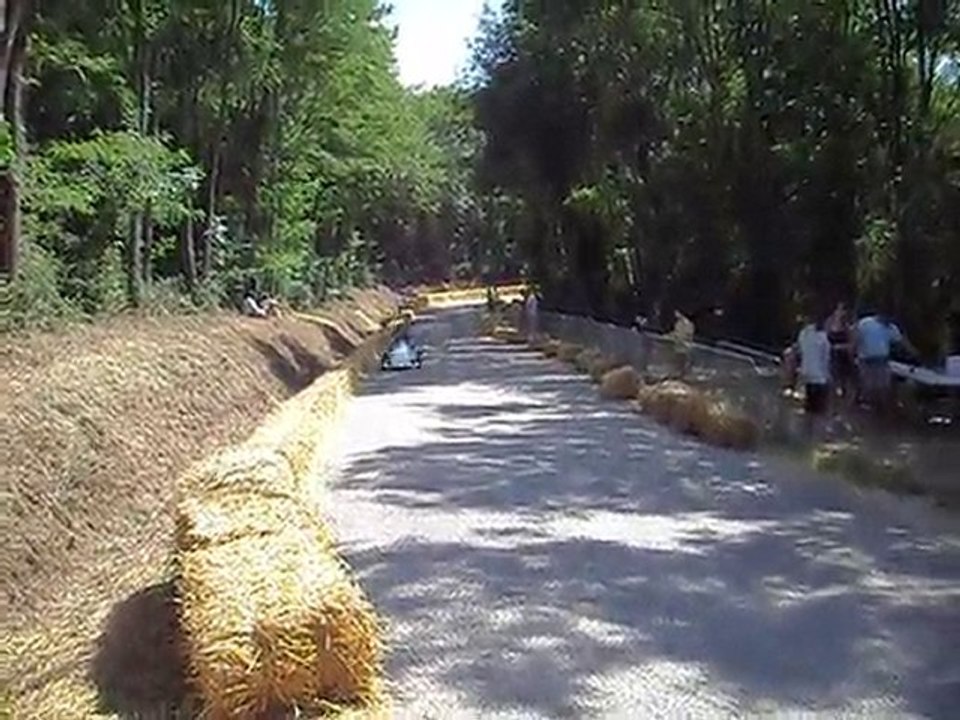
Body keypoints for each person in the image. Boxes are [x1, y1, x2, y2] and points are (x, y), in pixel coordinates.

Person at [854, 309, 918, 415]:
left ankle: (882, 410)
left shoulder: (891, 328)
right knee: (869, 386)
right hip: (866, 360)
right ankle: (870, 408)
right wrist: (852, 352)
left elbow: (902, 342)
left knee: (883, 386)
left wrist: (914, 352)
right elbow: (856, 338)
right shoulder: (865, 323)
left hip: (882, 360)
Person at [796, 311, 832, 438]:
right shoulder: (823, 339)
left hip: (807, 375)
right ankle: (817, 435)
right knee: (820, 410)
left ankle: (805, 434)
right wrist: (828, 377)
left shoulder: (804, 334)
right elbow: (825, 360)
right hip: (820, 378)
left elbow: (800, 351)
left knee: (808, 407)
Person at [825, 301, 855, 403]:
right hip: (830, 352)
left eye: (843, 310)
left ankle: (845, 389)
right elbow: (823, 339)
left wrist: (842, 347)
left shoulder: (847, 326)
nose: (841, 312)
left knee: (845, 363)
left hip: (843, 352)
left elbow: (852, 342)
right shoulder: (828, 323)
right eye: (839, 309)